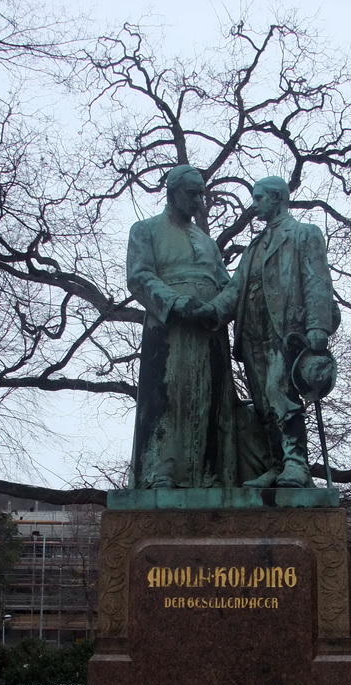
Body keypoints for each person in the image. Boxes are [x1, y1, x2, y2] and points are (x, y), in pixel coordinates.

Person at [206, 176, 340, 487]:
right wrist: (209, 312)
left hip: (285, 331)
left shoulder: (303, 234)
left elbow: (317, 280)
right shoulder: (254, 246)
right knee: (263, 401)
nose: (254, 206)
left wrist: (317, 326)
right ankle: (276, 464)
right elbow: (236, 290)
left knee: (280, 394)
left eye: (258, 198)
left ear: (276, 197)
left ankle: (296, 463)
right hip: (252, 332)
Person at [126, 165, 238, 488]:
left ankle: (208, 474)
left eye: (201, 194)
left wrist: (218, 309)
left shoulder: (208, 243)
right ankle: (162, 472)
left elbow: (227, 284)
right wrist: (176, 302)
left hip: (208, 330)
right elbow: (140, 276)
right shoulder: (145, 230)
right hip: (169, 330)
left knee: (210, 401)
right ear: (172, 192)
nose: (198, 201)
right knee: (169, 397)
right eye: (192, 193)